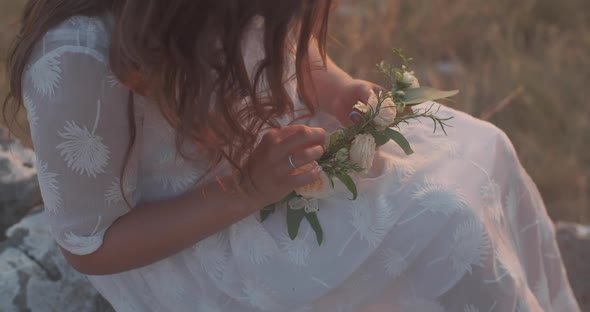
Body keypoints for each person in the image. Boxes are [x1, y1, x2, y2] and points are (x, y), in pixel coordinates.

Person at [3, 0, 581, 311]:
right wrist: (249, 190)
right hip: (198, 232)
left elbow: (289, 54)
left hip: (276, 161)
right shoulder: (76, 59)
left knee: (485, 145)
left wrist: (339, 91)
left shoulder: (225, 11)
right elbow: (92, 246)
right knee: (442, 222)